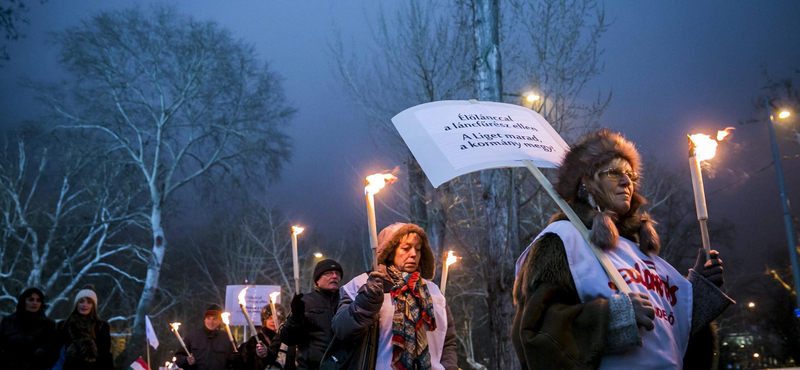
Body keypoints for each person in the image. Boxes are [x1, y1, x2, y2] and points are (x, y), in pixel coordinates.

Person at [511, 129, 734, 370]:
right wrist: (611, 318)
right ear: (585, 182)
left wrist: (696, 298)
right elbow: (534, 334)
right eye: (613, 172)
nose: (627, 181)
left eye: (630, 174)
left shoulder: (641, 252)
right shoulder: (561, 240)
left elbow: (671, 337)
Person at [331, 223, 458, 370]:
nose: (413, 254)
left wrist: (449, 367)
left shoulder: (433, 292)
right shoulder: (361, 284)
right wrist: (366, 301)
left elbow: (447, 342)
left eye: (418, 249)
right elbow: (341, 330)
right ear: (390, 251)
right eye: (406, 248)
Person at [280, 259, 343, 370]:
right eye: (328, 273)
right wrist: (296, 316)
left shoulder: (346, 301)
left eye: (337, 273)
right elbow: (288, 338)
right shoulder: (305, 302)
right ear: (317, 280)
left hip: (342, 365)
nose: (334, 276)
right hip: (312, 367)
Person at [56, 285, 116, 370]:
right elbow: (56, 350)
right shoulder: (64, 325)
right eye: (81, 301)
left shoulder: (101, 326)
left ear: (93, 306)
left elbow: (105, 354)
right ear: (76, 304)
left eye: (89, 302)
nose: (85, 305)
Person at [0, 287, 58, 370]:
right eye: (31, 300)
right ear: (24, 301)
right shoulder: (8, 321)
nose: (35, 303)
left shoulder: (48, 325)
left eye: (38, 300)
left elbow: (53, 352)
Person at [175, 304, 237, 370]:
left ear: (220, 321)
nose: (211, 322)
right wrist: (186, 360)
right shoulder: (192, 336)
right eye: (208, 318)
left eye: (214, 319)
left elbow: (233, 363)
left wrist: (237, 359)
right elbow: (179, 357)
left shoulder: (227, 338)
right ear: (204, 320)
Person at [236, 303, 296, 370]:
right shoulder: (256, 340)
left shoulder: (287, 338)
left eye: (277, 318)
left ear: (282, 321)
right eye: (270, 318)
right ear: (265, 320)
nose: (273, 321)